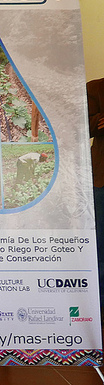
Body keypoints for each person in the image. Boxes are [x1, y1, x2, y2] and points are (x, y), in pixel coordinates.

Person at [88, 78, 104, 311]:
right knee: (99, 245)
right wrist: (97, 121)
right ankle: (99, 305)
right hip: (102, 179)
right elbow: (78, 125)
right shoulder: (95, 88)